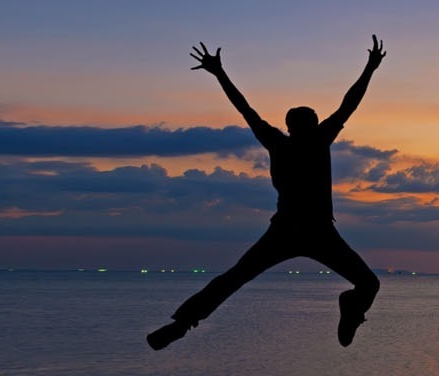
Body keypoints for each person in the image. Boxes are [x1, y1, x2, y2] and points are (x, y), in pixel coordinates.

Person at [147, 36, 386, 350]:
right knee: (368, 284)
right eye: (313, 122)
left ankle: (182, 323)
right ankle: (353, 306)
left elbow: (246, 110)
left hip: (289, 229)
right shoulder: (318, 139)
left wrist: (219, 74)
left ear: (288, 126)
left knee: (234, 278)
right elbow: (348, 104)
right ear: (311, 125)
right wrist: (370, 68)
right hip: (312, 230)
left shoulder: (279, 142)